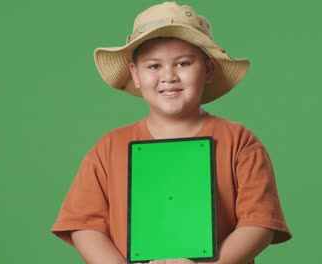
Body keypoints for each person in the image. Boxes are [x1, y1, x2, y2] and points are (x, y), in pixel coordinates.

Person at [52, 2, 292, 263]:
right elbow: (85, 225)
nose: (169, 76)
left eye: (183, 63)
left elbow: (260, 222)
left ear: (208, 69)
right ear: (135, 74)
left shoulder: (240, 142)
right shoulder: (109, 147)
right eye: (154, 66)